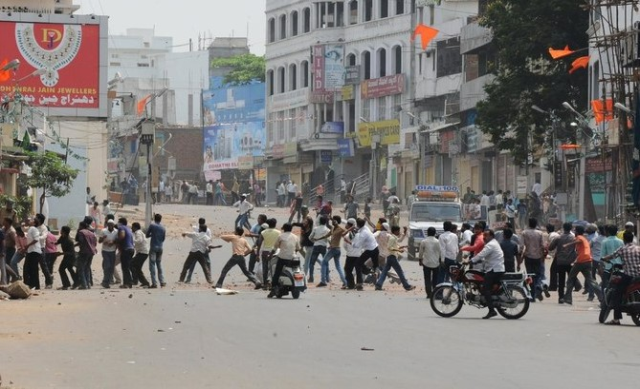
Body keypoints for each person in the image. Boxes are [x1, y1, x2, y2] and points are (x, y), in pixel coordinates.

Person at [601, 231, 640, 325]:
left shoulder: (623, 249)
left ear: (624, 239)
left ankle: (616, 319)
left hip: (628, 276)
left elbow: (612, 256)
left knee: (617, 294)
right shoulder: (638, 248)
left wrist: (604, 258)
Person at [468, 229, 505, 319]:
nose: (484, 237)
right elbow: (486, 257)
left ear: (491, 236)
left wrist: (472, 260)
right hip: (495, 268)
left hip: (494, 269)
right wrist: (479, 260)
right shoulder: (494, 243)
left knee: (485, 288)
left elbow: (481, 254)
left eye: (486, 236)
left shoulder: (490, 245)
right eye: (483, 235)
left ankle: (491, 310)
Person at [561, 225, 603, 305]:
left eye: (575, 230)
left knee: (570, 279)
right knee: (591, 280)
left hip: (581, 261)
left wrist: (567, 245)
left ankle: (568, 298)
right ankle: (601, 297)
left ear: (577, 231)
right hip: (588, 260)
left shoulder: (579, 237)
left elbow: (578, 241)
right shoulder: (585, 238)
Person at [375, 225, 415, 291]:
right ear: (395, 231)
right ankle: (407, 286)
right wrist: (399, 250)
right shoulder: (392, 238)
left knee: (384, 271)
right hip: (392, 257)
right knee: (400, 272)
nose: (399, 232)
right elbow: (389, 247)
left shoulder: (393, 237)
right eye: (398, 231)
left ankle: (378, 285)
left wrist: (403, 246)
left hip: (390, 257)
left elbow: (397, 244)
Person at [267, 223, 301, 297]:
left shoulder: (281, 236)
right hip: (293, 258)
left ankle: (274, 288)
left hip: (282, 258)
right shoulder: (295, 237)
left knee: (276, 273)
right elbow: (298, 248)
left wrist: (270, 256)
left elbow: (274, 248)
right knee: (297, 270)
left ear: (284, 229)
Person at [548, 222, 577, 304]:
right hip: (570, 261)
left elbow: (550, 248)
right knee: (570, 280)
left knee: (561, 280)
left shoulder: (558, 237)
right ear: (571, 228)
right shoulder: (574, 238)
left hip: (560, 261)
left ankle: (561, 297)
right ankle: (568, 297)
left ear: (563, 228)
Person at [319, 216, 349, 288]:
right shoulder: (332, 228)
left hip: (335, 249)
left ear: (337, 221)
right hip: (334, 249)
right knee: (338, 266)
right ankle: (345, 282)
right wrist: (318, 238)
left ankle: (323, 281)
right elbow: (328, 235)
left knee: (323, 262)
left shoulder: (340, 228)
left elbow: (346, 231)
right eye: (332, 220)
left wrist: (351, 228)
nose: (333, 222)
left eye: (335, 220)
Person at [352, 218, 380, 291]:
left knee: (357, 264)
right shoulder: (366, 228)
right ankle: (373, 273)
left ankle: (359, 284)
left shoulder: (362, 234)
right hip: (375, 248)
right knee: (375, 266)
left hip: (369, 250)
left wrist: (353, 238)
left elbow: (357, 245)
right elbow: (360, 228)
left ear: (357, 225)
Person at [520, 218, 545, 301]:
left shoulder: (524, 233)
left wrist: (520, 257)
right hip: (538, 256)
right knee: (537, 274)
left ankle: (533, 295)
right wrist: (543, 256)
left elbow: (521, 246)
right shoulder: (540, 233)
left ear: (529, 224)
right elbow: (543, 246)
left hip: (528, 256)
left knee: (530, 275)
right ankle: (538, 286)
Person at [418, 227, 440, 298]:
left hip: (426, 263)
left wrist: (420, 260)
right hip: (436, 263)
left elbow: (421, 252)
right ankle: (435, 292)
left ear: (427, 233)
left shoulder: (424, 241)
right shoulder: (437, 241)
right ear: (434, 233)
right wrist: (440, 260)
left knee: (427, 279)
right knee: (435, 279)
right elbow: (440, 252)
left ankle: (429, 293)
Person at [600, 224, 624, 291]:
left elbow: (602, 256)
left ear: (608, 232)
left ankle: (604, 301)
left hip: (608, 268)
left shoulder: (605, 241)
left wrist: (601, 267)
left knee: (604, 287)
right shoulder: (621, 241)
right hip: (620, 268)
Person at [75, 221, 98, 290]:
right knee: (87, 268)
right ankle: (88, 284)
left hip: (84, 252)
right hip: (92, 252)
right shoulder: (91, 233)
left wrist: (81, 249)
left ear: (81, 226)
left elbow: (81, 241)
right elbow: (95, 242)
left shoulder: (81, 232)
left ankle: (84, 284)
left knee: (80, 268)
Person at [307, 216, 330, 283]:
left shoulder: (315, 228)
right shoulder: (327, 230)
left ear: (319, 221)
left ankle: (311, 277)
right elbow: (329, 239)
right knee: (326, 262)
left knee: (312, 263)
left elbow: (310, 237)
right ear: (325, 222)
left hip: (316, 246)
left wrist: (314, 241)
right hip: (323, 246)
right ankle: (327, 277)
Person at [147, 213, 167, 288]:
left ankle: (154, 283)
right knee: (159, 264)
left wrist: (152, 235)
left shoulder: (152, 225)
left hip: (153, 247)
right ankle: (162, 281)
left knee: (152, 265)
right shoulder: (163, 227)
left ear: (154, 218)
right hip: (160, 247)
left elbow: (147, 235)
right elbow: (163, 239)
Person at [259, 218, 281, 287]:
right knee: (273, 268)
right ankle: (272, 282)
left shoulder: (263, 232)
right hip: (275, 252)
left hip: (265, 251)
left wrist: (257, 254)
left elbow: (259, 244)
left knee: (265, 268)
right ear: (275, 224)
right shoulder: (278, 232)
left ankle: (265, 283)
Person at [343, 218, 361, 290]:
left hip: (350, 255)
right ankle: (359, 284)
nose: (346, 225)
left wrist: (350, 250)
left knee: (347, 269)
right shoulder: (359, 234)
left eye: (347, 224)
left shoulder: (348, 235)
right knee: (358, 270)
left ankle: (351, 285)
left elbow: (345, 246)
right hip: (358, 254)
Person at [116, 217, 135, 289]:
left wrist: (116, 240)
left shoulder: (121, 227)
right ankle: (128, 282)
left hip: (126, 249)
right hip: (131, 249)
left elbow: (122, 235)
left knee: (125, 267)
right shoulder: (129, 229)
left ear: (121, 222)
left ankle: (127, 284)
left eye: (118, 222)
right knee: (126, 267)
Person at [130, 222, 150, 287]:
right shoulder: (140, 232)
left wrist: (132, 240)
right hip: (143, 252)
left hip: (142, 253)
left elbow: (139, 240)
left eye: (132, 227)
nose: (131, 228)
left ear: (135, 227)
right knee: (137, 268)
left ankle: (136, 280)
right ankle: (144, 282)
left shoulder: (138, 233)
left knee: (132, 264)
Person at [99, 219, 118, 289]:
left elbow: (118, 240)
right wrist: (103, 239)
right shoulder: (103, 231)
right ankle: (105, 281)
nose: (110, 226)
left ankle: (108, 281)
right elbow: (99, 241)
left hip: (112, 251)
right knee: (107, 266)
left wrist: (112, 242)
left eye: (111, 224)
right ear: (107, 225)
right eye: (109, 224)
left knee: (111, 267)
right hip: (105, 251)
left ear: (113, 225)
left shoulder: (116, 231)